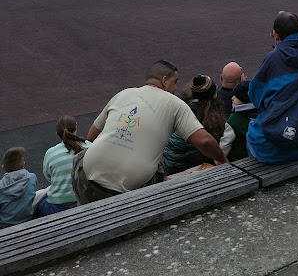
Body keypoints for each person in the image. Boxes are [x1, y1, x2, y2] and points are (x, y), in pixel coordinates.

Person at [73, 60, 227, 204]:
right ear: (165, 81)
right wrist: (222, 160)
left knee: (84, 154)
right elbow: (205, 141)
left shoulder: (123, 94)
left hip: (86, 179)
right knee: (158, 160)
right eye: (175, 82)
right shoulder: (175, 104)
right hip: (129, 189)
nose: (175, 88)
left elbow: (91, 137)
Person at [247, 12, 298, 164]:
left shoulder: (272, 59)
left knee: (252, 133)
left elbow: (255, 96)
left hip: (270, 148)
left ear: (275, 35)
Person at [163, 75, 234, 175]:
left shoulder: (180, 107)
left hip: (168, 162)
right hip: (190, 167)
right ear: (214, 95)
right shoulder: (213, 119)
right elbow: (208, 144)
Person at [37, 116, 89, 216]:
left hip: (57, 204)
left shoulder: (51, 153)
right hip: (83, 199)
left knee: (40, 204)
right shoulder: (89, 146)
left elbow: (48, 176)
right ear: (76, 128)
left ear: (57, 133)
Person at [0, 147, 37, 229]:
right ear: (22, 164)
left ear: (4, 167)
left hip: (4, 226)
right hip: (26, 220)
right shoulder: (32, 178)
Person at [226, 80, 258, 160]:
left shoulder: (234, 119)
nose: (232, 98)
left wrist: (220, 160)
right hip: (257, 156)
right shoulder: (262, 113)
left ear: (244, 99)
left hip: (238, 159)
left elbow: (225, 143)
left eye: (236, 96)